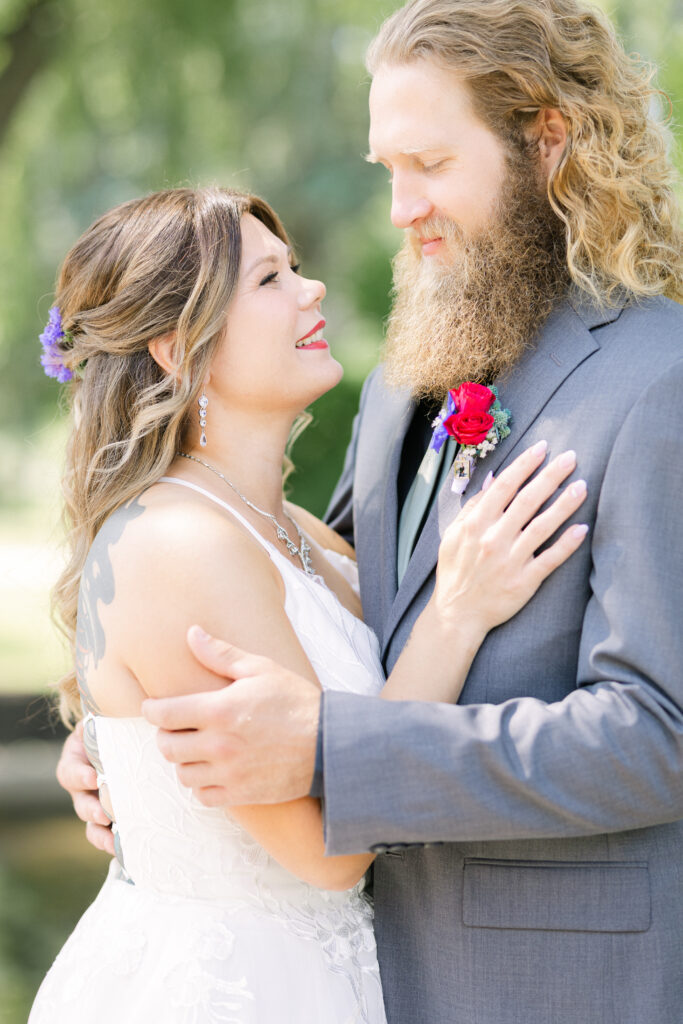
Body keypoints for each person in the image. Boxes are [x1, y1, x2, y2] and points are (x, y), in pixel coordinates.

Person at [31, 186, 587, 1022]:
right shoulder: (181, 545)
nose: (311, 289)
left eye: (294, 267)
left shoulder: (295, 529)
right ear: (178, 348)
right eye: (267, 281)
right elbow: (329, 848)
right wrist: (458, 609)